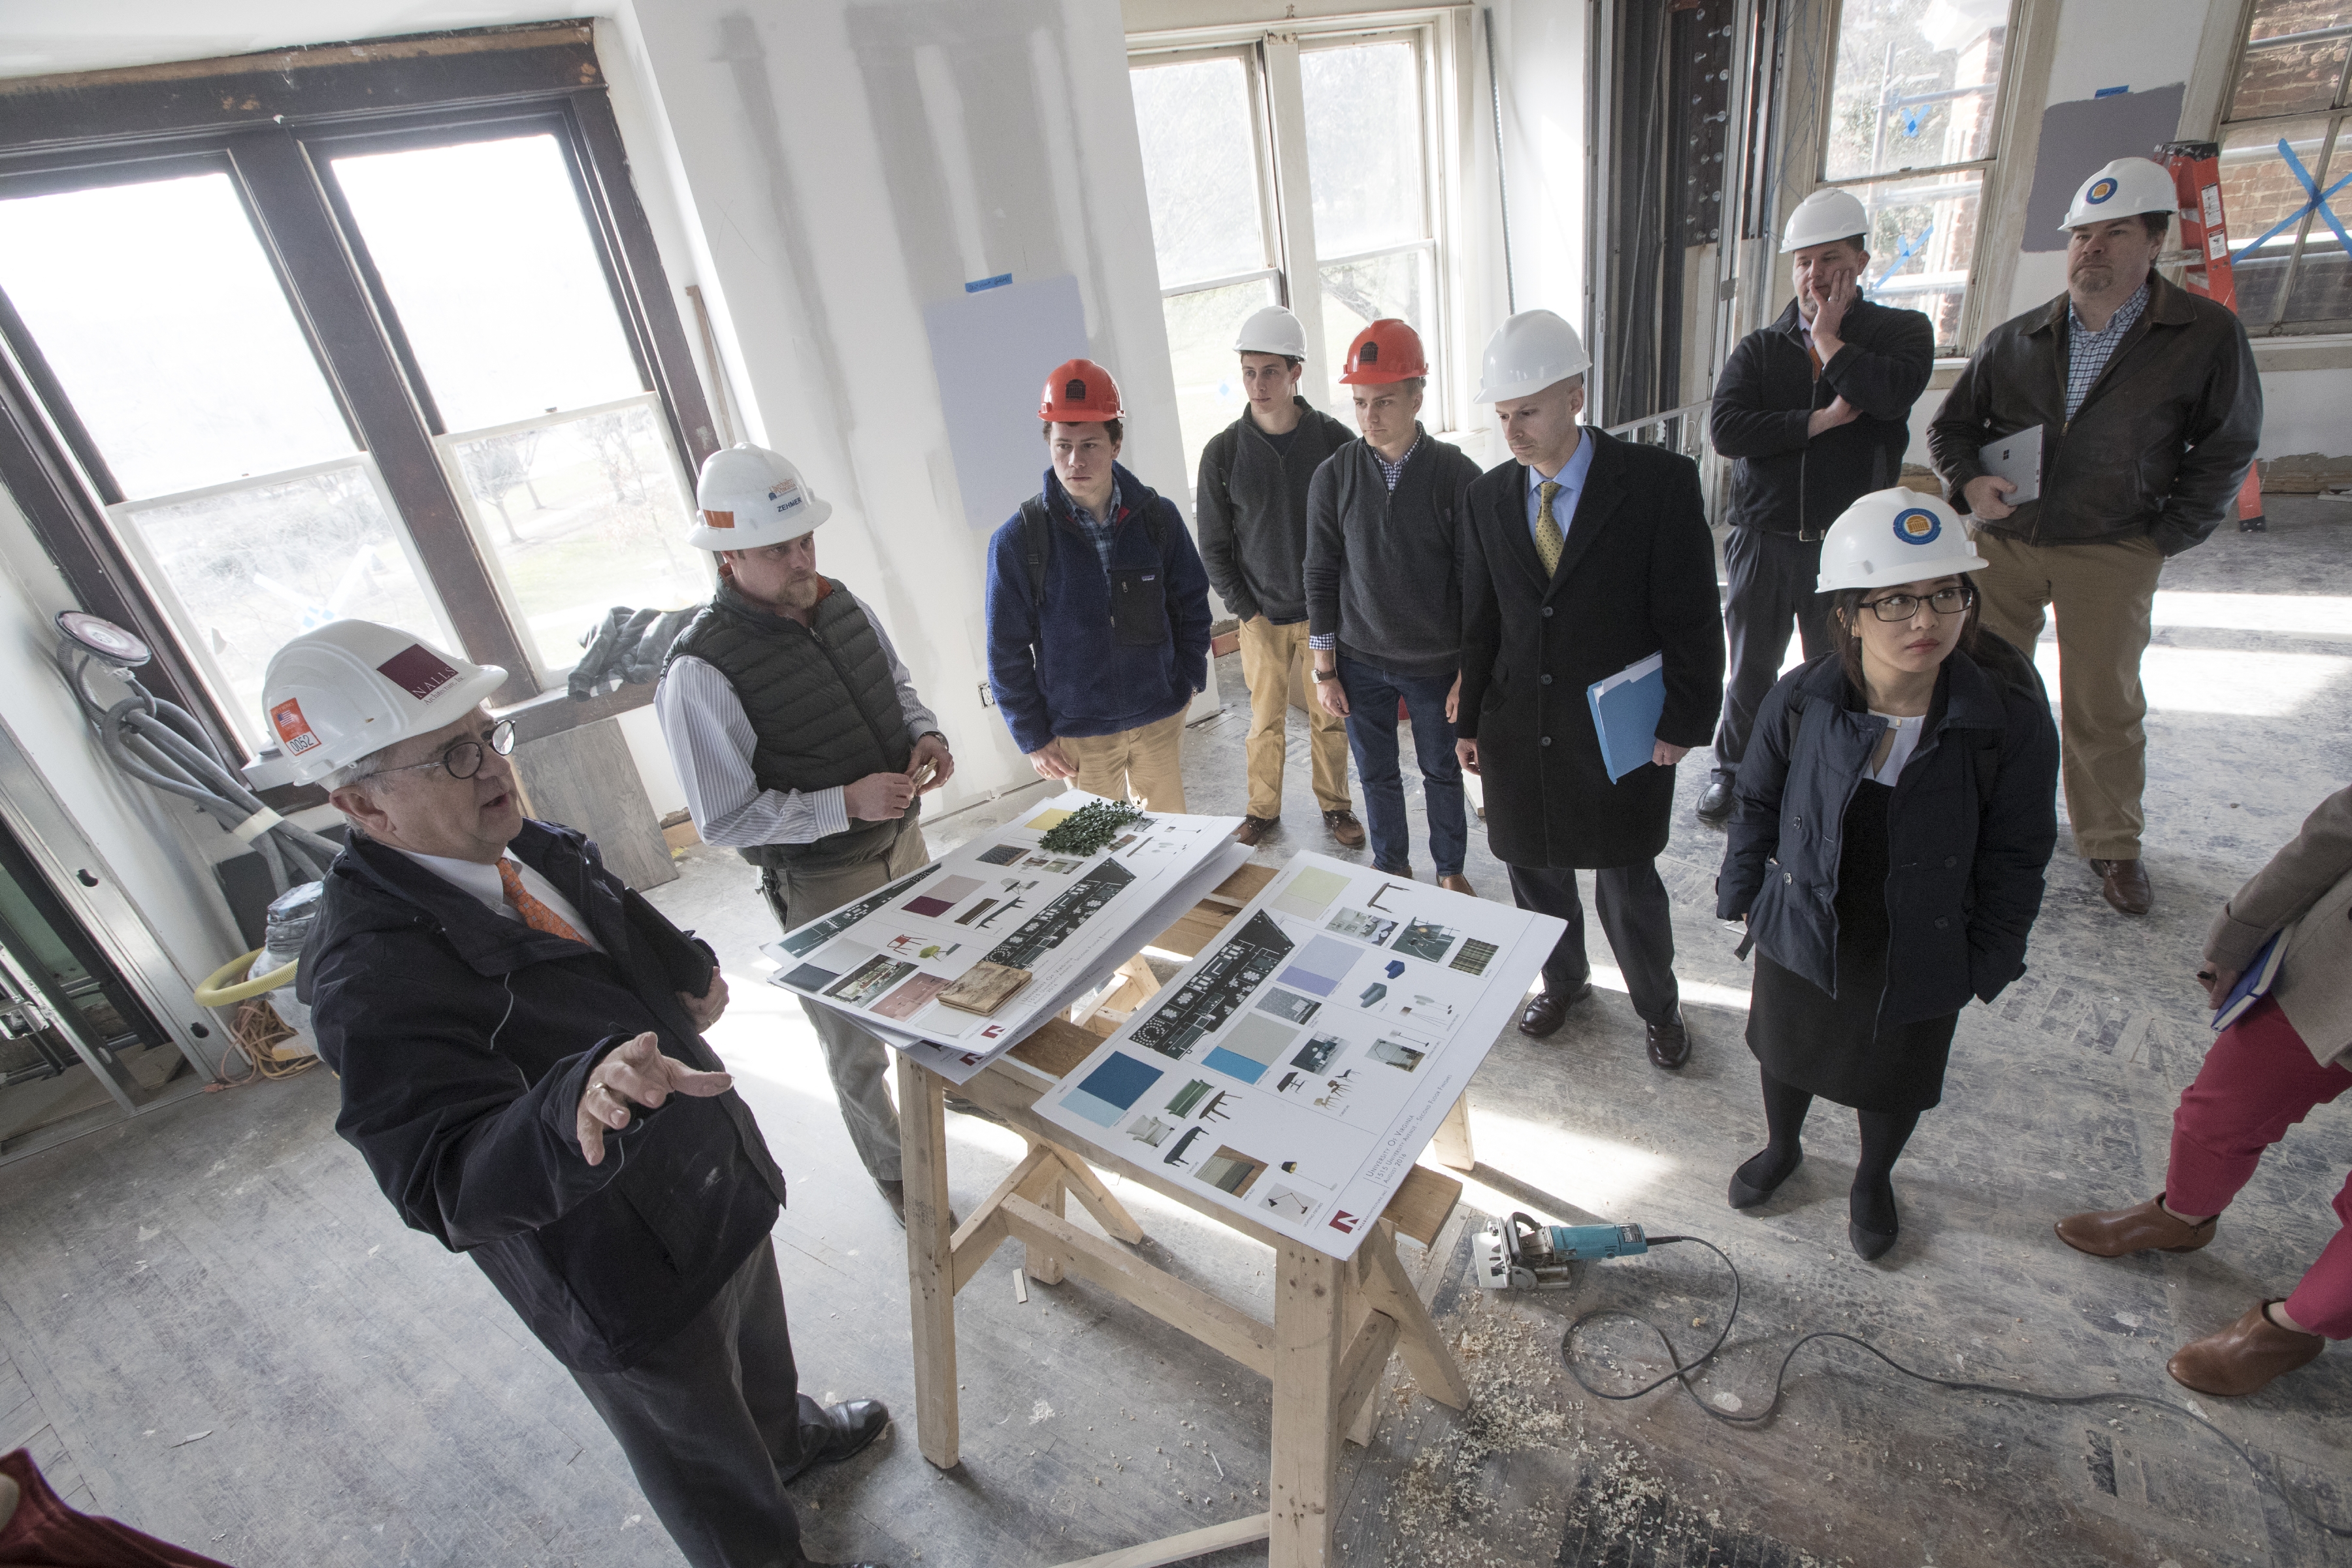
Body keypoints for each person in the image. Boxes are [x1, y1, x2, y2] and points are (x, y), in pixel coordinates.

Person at [281, 620, 889, 1568]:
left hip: (708, 1171)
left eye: (488, 735)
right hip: (610, 1256)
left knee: (758, 1351)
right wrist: (570, 1109)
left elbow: (609, 916)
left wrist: (684, 969)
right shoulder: (369, 980)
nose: (491, 766)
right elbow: (444, 1185)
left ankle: (791, 1443)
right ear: (364, 805)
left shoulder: (525, 844)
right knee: (701, 1446)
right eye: (451, 754)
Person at [1715, 490, 2059, 1259]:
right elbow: (1757, 800)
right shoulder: (1803, 699)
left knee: (1897, 1068)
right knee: (1787, 1043)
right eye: (1896, 600)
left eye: (1946, 595)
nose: (1925, 622)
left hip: (1924, 921)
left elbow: (2019, 850)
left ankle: (1873, 1176)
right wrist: (1743, 895)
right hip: (1810, 906)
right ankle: (1784, 1147)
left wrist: (1991, 954)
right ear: (1849, 614)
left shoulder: (2006, 719)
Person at [1929, 155, 2261, 919]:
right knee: (1986, 686)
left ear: (2154, 243)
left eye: (2115, 234)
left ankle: (2112, 841)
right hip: (2009, 545)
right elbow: (1954, 428)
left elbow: (2227, 443)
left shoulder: (2204, 336)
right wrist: (1972, 483)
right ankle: (1983, 815)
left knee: (2101, 702)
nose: (2094, 250)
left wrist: (2164, 535)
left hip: (2113, 548)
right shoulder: (2019, 338)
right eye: (2083, 236)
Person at [655, 444, 953, 1228]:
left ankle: (949, 1121)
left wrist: (925, 736)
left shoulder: (841, 602)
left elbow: (895, 685)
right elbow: (723, 818)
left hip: (904, 848)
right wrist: (842, 804)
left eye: (805, 540)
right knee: (855, 1041)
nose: (800, 559)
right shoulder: (699, 673)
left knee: (938, 992)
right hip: (823, 882)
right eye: (777, 548)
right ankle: (902, 1177)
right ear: (727, 558)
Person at [1456, 310, 1724, 1066]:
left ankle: (1658, 1006)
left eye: (1529, 411)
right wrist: (1470, 718)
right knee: (1535, 872)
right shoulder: (1485, 500)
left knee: (1626, 882)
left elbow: (1694, 618)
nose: (1513, 430)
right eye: (1504, 414)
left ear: (1575, 395)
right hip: (1519, 725)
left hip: (1617, 729)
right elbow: (1480, 621)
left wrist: (1683, 720)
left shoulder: (1657, 486)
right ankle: (1564, 983)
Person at [2055, 782, 2352, 1396]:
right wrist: (2239, 934)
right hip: (2340, 975)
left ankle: (2290, 1329)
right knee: (2221, 1109)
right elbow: (2335, 831)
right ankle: (2183, 1218)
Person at [1699, 188, 1937, 826]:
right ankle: (1735, 770)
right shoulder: (1761, 348)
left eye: (1829, 258)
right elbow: (1727, 431)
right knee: (1751, 667)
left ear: (1861, 261)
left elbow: (1886, 397)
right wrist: (1820, 421)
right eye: (1803, 261)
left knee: (1840, 668)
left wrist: (1831, 342)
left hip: (1848, 548)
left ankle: (1825, 772)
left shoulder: (1901, 335)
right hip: (1764, 538)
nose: (1813, 274)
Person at [1302, 318, 1484, 889]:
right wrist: (1325, 667)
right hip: (1359, 661)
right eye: (1359, 403)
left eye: (1383, 401)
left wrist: (1468, 671)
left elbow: (1477, 582)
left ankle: (1449, 869)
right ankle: (1392, 864)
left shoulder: (1457, 477)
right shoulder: (1334, 477)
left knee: (1440, 770)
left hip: (1434, 663)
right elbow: (1321, 572)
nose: (1369, 417)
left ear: (1417, 396)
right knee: (1376, 773)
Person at [985, 357, 1212, 811]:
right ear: (1048, 441)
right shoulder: (1019, 540)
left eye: (1090, 444)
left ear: (1117, 443)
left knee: (1171, 841)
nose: (1075, 461)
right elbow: (1005, 649)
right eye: (1063, 445)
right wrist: (1032, 736)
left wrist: (1187, 680)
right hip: (1080, 734)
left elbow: (1192, 604)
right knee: (1101, 855)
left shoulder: (1158, 519)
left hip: (1158, 717)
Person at [1195, 304, 1364, 850]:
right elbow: (1215, 547)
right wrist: (1248, 611)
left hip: (1324, 617)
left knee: (1330, 719)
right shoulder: (1223, 453)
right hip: (1261, 618)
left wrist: (1339, 605)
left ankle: (1336, 807)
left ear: (1296, 372)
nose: (1258, 384)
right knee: (1263, 723)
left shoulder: (1336, 442)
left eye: (1270, 371)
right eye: (1249, 371)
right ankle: (1262, 812)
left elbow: (1354, 532)